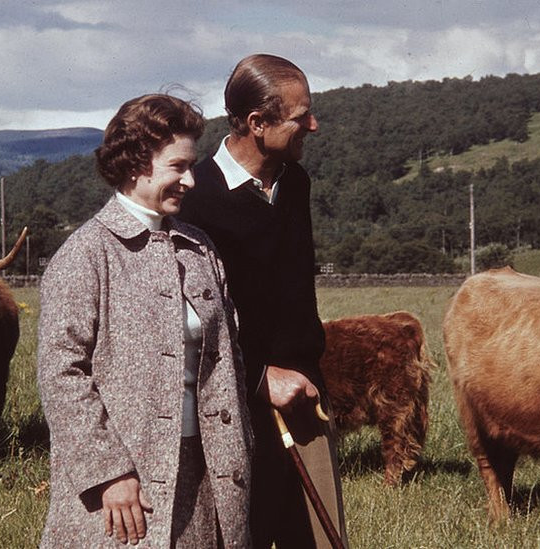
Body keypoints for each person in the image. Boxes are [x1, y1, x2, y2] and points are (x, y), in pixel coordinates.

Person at [37, 94, 252, 548]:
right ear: (136, 163)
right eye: (177, 167)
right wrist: (108, 473)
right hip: (123, 486)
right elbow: (61, 375)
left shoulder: (200, 249)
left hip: (207, 472)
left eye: (191, 166)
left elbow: (230, 357)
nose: (190, 180)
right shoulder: (85, 255)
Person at [177, 54, 347, 548]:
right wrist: (258, 377)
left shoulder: (295, 183)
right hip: (228, 405)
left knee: (315, 536)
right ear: (257, 123)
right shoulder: (194, 199)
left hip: (304, 398)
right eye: (300, 116)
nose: (313, 125)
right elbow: (188, 320)